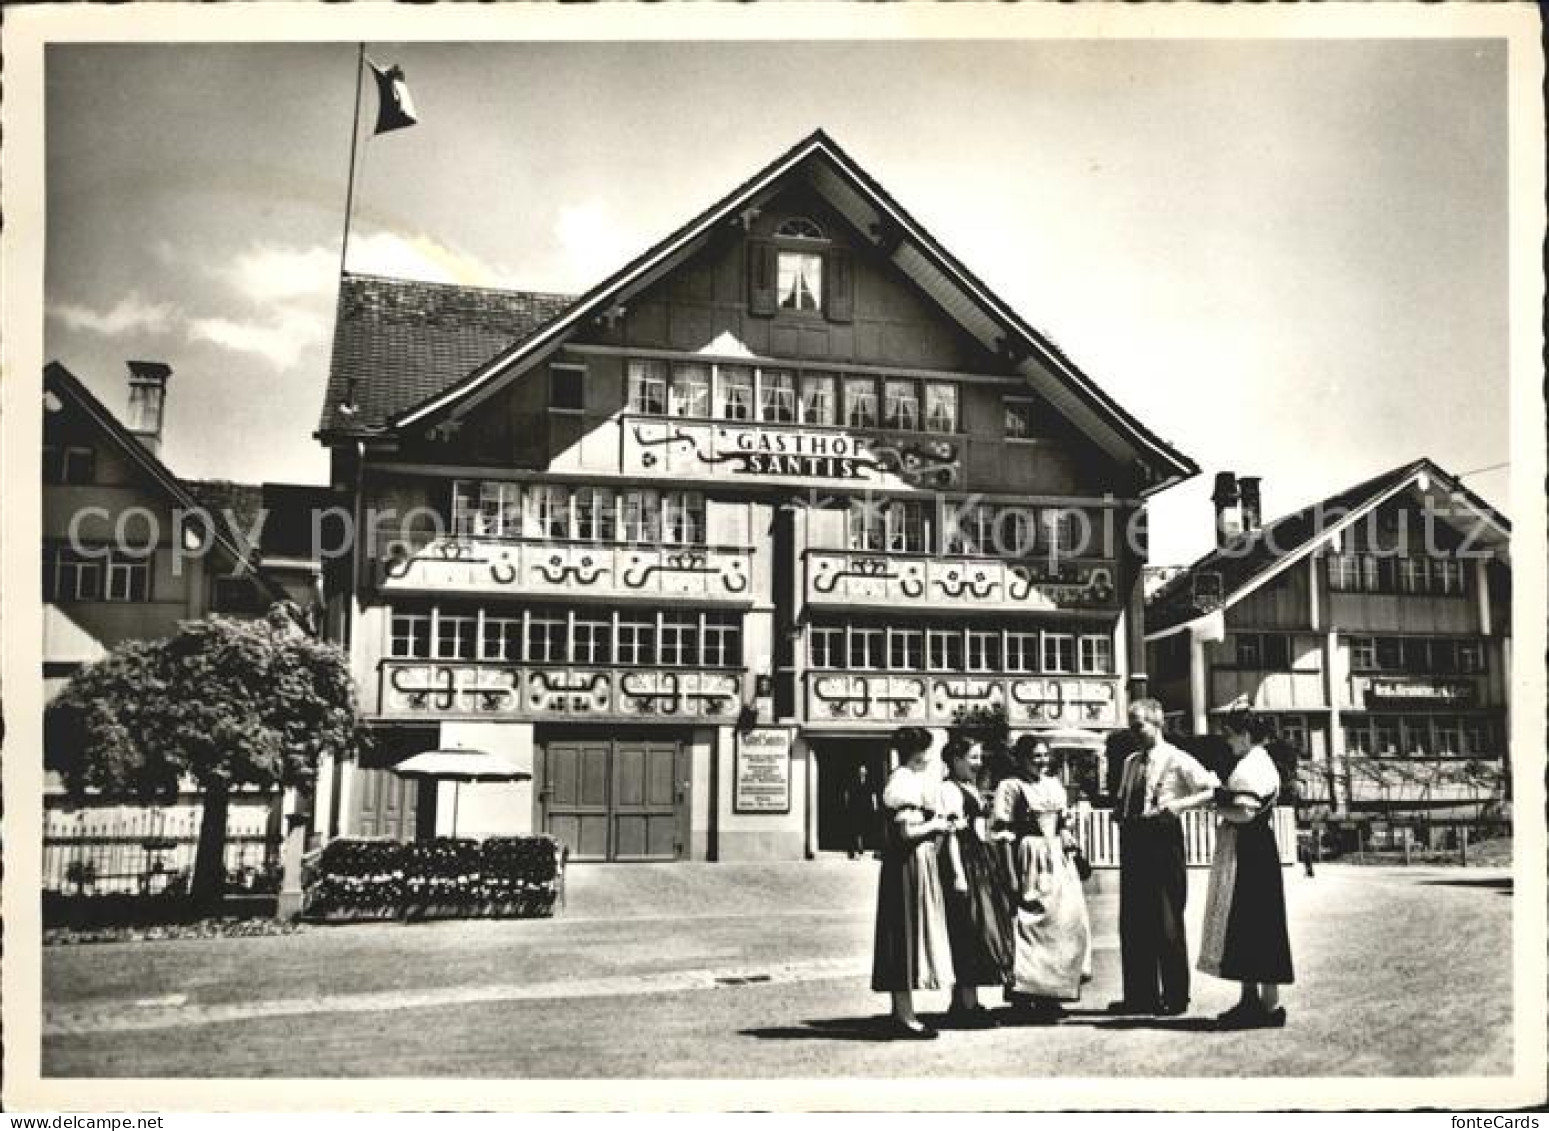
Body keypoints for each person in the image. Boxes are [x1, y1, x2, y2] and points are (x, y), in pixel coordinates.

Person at [1109, 698, 1220, 1017]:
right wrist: (1121, 810)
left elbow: (1210, 788)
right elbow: (1126, 795)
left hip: (1162, 839)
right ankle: (1140, 995)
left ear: (1158, 723)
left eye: (1139, 725)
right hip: (1133, 839)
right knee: (1133, 920)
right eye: (1130, 726)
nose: (1134, 732)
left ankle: (1174, 995)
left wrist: (1180, 806)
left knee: (1166, 918)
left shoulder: (1177, 758)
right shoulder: (1131, 761)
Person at [1199, 704, 1295, 1029]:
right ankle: (1257, 1002)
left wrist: (1216, 802)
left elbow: (1245, 812)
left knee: (1252, 923)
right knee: (1255, 925)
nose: (1227, 742)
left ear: (1244, 734)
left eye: (1230, 735)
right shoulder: (1260, 761)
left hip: (1249, 850)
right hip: (1258, 849)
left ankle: (1264, 1007)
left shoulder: (1250, 768)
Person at [993, 737, 1092, 1022]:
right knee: (1029, 923)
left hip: (1057, 858)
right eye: (1035, 756)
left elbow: (1062, 825)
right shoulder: (1010, 786)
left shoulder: (1053, 785)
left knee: (1062, 923)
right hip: (1029, 855)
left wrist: (1072, 849)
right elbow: (1002, 833)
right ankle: (1025, 995)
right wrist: (1010, 871)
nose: (1041, 761)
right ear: (1021, 758)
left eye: (1044, 756)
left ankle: (1052, 992)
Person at [871, 726, 955, 1039]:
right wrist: (937, 824)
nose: (929, 757)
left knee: (907, 931)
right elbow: (906, 831)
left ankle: (902, 1011)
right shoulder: (904, 780)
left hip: (913, 861)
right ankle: (904, 1016)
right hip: (907, 862)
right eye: (925, 751)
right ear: (916, 753)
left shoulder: (909, 778)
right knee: (904, 932)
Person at [937, 737, 1015, 1026]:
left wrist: (996, 839)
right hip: (965, 863)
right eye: (972, 757)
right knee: (968, 929)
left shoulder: (970, 788)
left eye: (979, 757)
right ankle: (967, 1005)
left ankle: (965, 1000)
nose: (978, 763)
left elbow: (979, 829)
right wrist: (957, 874)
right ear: (955, 759)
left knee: (979, 928)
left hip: (980, 861)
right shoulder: (948, 790)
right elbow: (952, 836)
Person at [842, 764, 879, 859]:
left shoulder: (870, 781)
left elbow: (873, 793)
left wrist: (875, 805)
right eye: (861, 771)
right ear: (858, 772)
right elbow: (847, 792)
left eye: (864, 771)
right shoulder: (853, 781)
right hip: (855, 807)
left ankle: (862, 845)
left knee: (864, 827)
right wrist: (847, 804)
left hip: (866, 807)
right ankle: (858, 847)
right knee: (856, 828)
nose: (862, 773)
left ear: (866, 772)